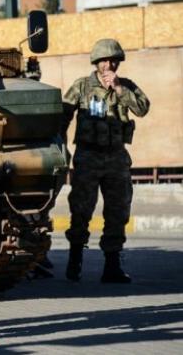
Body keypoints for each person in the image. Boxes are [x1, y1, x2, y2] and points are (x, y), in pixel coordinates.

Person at [62, 39, 150, 283]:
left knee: (118, 210)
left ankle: (112, 266)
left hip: (116, 157)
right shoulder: (82, 86)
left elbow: (143, 108)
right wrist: (61, 147)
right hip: (88, 156)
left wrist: (120, 90)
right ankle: (75, 259)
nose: (109, 64)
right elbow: (63, 115)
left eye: (113, 60)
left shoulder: (126, 86)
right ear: (96, 62)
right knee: (81, 209)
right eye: (104, 60)